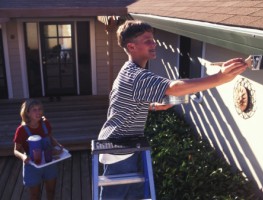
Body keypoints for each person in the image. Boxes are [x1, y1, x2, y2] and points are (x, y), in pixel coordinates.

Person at [98, 20, 248, 199]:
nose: (154, 44)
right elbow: (174, 87)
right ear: (131, 46)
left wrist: (151, 106)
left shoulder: (129, 70)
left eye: (153, 39)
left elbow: (121, 101)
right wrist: (220, 77)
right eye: (147, 41)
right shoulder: (136, 75)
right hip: (119, 149)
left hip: (128, 144)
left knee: (134, 195)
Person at [13, 99, 63, 200]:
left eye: (40, 109)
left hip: (49, 162)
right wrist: (23, 157)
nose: (38, 112)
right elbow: (15, 150)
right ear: (27, 112)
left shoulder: (45, 123)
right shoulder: (21, 130)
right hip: (32, 165)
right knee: (34, 196)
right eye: (34, 110)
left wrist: (59, 146)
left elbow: (50, 138)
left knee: (51, 191)